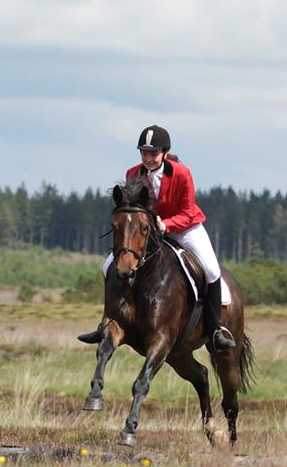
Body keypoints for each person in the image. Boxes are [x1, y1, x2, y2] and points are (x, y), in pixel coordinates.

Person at [77, 125, 236, 351]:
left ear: (164, 152)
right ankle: (107, 321)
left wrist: (166, 224)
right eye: (144, 153)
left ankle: (216, 329)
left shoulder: (182, 173)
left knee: (211, 270)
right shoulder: (133, 174)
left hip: (185, 228)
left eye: (153, 154)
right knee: (108, 267)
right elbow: (133, 208)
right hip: (149, 232)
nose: (148, 158)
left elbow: (188, 212)